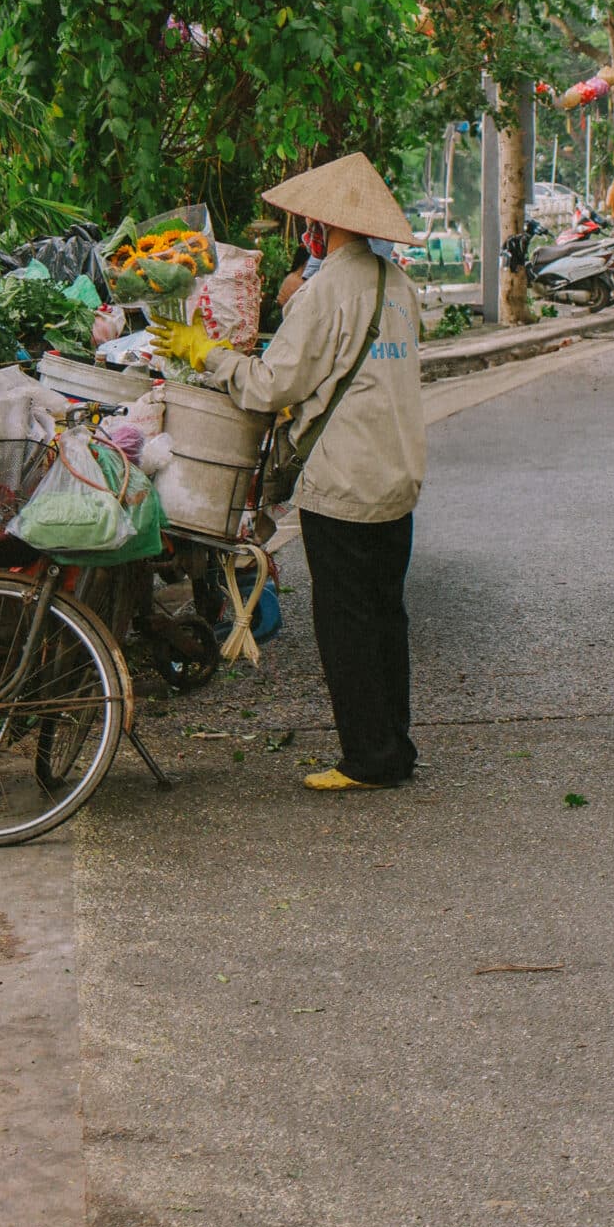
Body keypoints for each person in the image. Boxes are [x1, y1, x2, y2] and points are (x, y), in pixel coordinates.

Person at [153, 153, 425, 793]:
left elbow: (271, 384)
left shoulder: (324, 289)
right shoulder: (398, 285)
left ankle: (367, 759)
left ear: (322, 227)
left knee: (347, 623)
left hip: (344, 484)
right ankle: (395, 746)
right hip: (398, 475)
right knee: (387, 617)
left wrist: (206, 354)